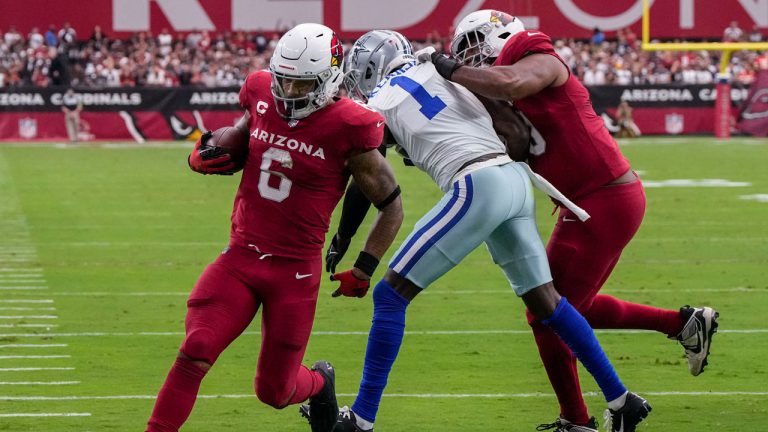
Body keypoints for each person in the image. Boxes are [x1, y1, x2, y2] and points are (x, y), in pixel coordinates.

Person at [303, 29, 650, 432]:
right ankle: (621, 400)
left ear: (366, 70)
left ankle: (360, 420)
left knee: (390, 295)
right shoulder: (448, 73)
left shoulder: (378, 103)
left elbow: (368, 182)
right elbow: (517, 137)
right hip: (517, 183)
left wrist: (346, 242)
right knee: (547, 302)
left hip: (476, 185)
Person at [417, 9, 718, 431]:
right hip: (589, 200)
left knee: (545, 312)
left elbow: (513, 81)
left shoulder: (536, 55)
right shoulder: (501, 85)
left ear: (496, 36)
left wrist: (451, 69)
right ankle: (680, 322)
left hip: (604, 198)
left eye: (470, 49)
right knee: (570, 309)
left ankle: (576, 418)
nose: (469, 60)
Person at [145, 23, 404, 432]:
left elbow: (391, 207)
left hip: (294, 272)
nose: (288, 92)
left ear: (329, 79)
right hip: (241, 255)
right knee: (195, 348)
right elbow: (240, 140)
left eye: (300, 85)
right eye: (283, 80)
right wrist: (202, 155)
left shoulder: (350, 124)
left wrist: (364, 266)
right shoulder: (263, 93)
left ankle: (319, 384)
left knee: (275, 392)